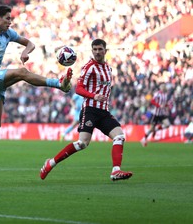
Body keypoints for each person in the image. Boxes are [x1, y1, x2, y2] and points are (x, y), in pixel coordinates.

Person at [0, 5, 73, 180]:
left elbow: (31, 43)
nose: (10, 21)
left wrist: (25, 52)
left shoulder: (9, 34)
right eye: (7, 18)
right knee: (22, 73)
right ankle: (59, 83)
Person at [39, 39, 133, 181]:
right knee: (82, 143)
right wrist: (94, 95)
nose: (97, 52)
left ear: (105, 51)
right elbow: (79, 88)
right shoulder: (89, 67)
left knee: (119, 136)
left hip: (103, 111)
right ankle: (50, 163)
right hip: (90, 110)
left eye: (100, 49)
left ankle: (115, 171)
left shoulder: (108, 68)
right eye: (94, 49)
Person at [140, 83, 172, 147]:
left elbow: (163, 104)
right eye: (162, 87)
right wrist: (159, 105)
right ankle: (144, 138)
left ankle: (156, 129)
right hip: (156, 114)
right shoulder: (157, 93)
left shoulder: (165, 95)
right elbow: (152, 101)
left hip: (162, 113)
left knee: (167, 125)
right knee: (151, 128)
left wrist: (167, 105)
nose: (163, 88)